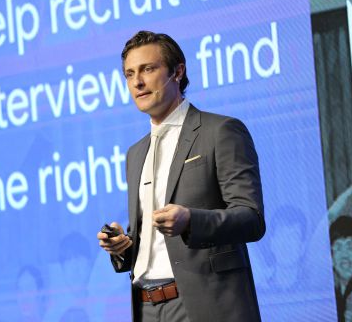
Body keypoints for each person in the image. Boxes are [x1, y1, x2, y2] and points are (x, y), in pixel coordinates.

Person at [97, 30, 265, 321]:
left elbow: (251, 219)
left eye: (148, 69)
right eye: (129, 74)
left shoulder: (220, 131)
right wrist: (122, 246)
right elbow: (152, 243)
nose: (137, 82)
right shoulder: (135, 153)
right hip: (146, 307)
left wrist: (191, 220)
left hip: (204, 305)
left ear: (177, 72)